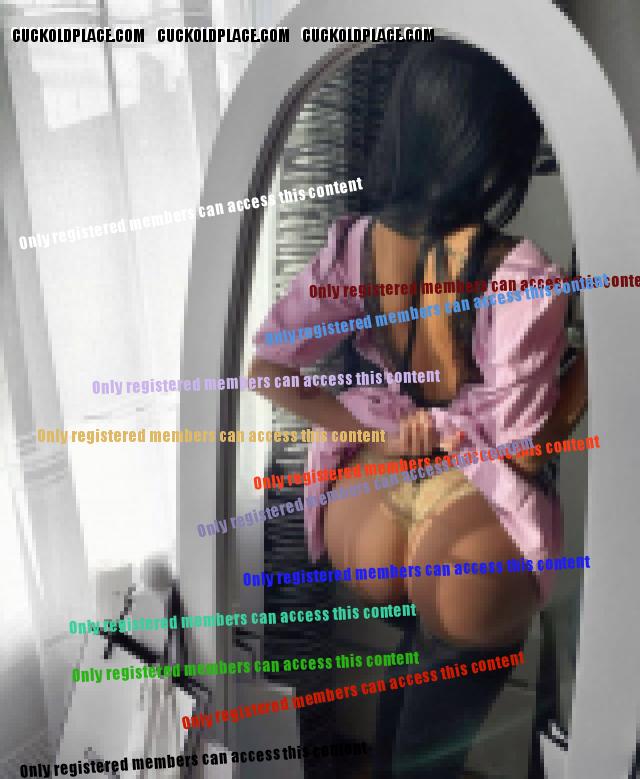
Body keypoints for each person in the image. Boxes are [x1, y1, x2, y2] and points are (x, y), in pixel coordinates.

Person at [250, 39, 587, 778]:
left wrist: (370, 431)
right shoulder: (520, 273)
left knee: (411, 699)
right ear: (495, 149)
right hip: (467, 526)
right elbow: (525, 451)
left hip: (368, 514)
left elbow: (269, 367)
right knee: (431, 752)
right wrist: (583, 378)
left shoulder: (355, 246)